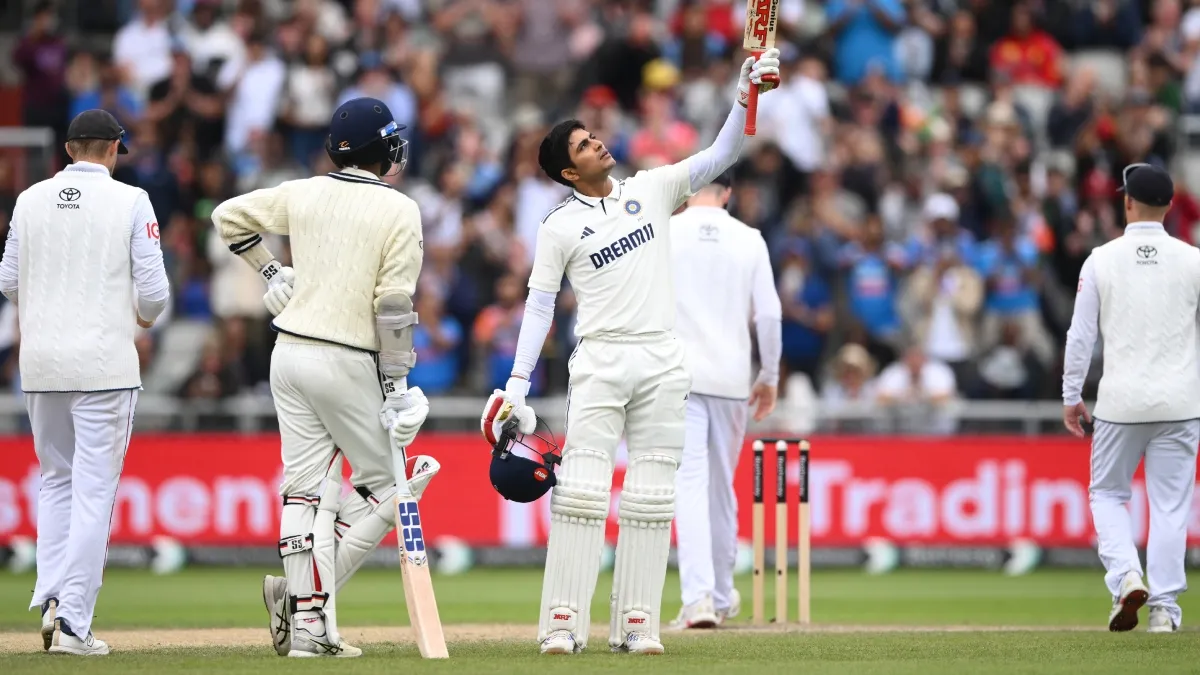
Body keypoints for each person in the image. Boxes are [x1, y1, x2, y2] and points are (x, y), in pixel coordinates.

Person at [479, 48, 782, 655]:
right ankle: (563, 621)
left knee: (652, 497)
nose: (597, 144)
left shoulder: (652, 187)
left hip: (662, 360)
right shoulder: (559, 226)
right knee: (582, 493)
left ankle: (637, 622)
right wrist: (517, 383)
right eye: (583, 146)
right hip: (600, 359)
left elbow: (722, 154)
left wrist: (745, 92)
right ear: (569, 173)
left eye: (592, 137)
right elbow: (539, 306)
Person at [211, 97, 439, 657]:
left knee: (305, 490)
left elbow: (226, 217)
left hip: (289, 354)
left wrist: (271, 271)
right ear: (382, 147)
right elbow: (393, 306)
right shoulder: (399, 208)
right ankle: (304, 605)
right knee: (394, 485)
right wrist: (398, 385)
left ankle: (307, 626)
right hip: (346, 356)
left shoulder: (303, 192)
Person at [0, 109, 170, 655]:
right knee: (94, 491)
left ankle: (52, 596)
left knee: (55, 481)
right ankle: (73, 622)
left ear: (69, 150)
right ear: (115, 148)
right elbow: (155, 293)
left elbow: (8, 281)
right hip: (103, 364)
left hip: (40, 364)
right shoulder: (131, 200)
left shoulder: (29, 199)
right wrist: (141, 317)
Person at [1063, 163, 1200, 634]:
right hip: (1181, 403)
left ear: (1127, 202)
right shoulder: (1193, 260)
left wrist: (1071, 395)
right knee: (1170, 507)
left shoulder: (1101, 259)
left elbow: (1080, 336)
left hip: (1120, 403)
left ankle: (1125, 576)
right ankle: (1164, 609)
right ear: (1169, 206)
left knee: (1106, 494)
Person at [667, 171, 781, 629]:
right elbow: (769, 314)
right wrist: (769, 375)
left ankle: (700, 599)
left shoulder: (664, 230)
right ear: (728, 193)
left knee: (690, 484)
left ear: (688, 187)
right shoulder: (749, 238)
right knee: (720, 487)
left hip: (677, 374)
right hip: (733, 379)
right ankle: (716, 594)